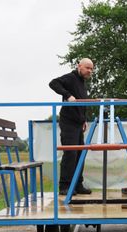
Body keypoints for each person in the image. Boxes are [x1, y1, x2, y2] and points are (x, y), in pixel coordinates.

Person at [49, 58, 94, 195]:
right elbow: (53, 83)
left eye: (91, 69)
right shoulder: (70, 78)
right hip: (68, 122)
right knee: (70, 153)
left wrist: (84, 119)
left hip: (78, 123)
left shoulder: (82, 83)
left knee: (80, 154)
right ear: (79, 66)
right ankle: (64, 186)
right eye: (87, 68)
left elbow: (82, 103)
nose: (90, 71)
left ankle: (77, 184)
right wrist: (67, 95)